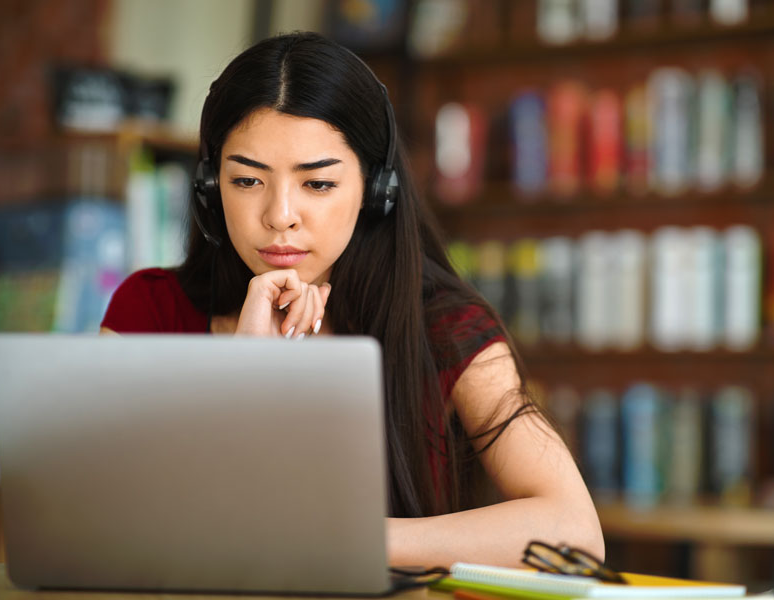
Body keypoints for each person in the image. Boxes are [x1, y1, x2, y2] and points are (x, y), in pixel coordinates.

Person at [100, 31, 603, 569]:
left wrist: (337, 538)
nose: (279, 215)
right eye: (247, 180)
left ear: (375, 190)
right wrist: (240, 377)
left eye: (317, 185)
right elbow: (94, 515)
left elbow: (573, 532)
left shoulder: (445, 327)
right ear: (208, 187)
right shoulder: (147, 311)